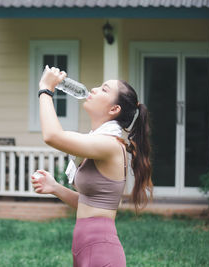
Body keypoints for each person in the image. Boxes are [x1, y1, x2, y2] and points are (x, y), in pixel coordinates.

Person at [31, 66, 153, 267]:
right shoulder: (99, 143)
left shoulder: (109, 145)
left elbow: (52, 136)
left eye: (104, 89)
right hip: (86, 247)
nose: (94, 89)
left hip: (101, 251)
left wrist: (46, 89)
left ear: (114, 109)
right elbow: (90, 204)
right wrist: (54, 188)